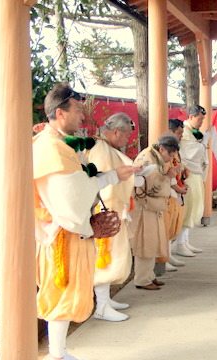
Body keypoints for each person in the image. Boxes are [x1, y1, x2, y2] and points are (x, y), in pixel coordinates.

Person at [34, 83, 138, 360]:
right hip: (62, 233)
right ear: (60, 113)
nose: (83, 117)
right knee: (61, 291)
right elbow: (72, 196)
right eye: (78, 110)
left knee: (69, 290)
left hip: (72, 229)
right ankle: (56, 354)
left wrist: (114, 175)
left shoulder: (59, 145)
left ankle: (59, 351)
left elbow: (81, 185)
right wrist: (111, 178)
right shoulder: (51, 149)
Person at [86, 112, 140, 322]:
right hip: (106, 211)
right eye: (126, 135)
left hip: (113, 209)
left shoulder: (106, 147)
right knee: (105, 259)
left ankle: (105, 300)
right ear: (116, 131)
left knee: (113, 258)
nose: (127, 140)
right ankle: (101, 305)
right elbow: (103, 182)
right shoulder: (101, 149)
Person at [130, 134, 181, 290]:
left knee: (152, 242)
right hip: (144, 207)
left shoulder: (155, 158)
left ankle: (149, 276)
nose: (169, 159)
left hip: (153, 206)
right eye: (169, 155)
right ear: (162, 149)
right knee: (145, 244)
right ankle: (142, 279)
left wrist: (167, 175)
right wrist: (167, 176)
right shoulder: (147, 160)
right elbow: (147, 187)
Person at [173, 105, 212, 257]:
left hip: (195, 174)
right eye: (200, 118)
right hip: (188, 174)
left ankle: (185, 240)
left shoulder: (193, 132)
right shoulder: (185, 132)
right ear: (190, 117)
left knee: (194, 207)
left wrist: (202, 141)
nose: (201, 122)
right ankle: (180, 243)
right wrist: (203, 142)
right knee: (188, 207)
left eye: (203, 119)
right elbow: (190, 152)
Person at [164, 119, 188, 271]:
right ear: (171, 132)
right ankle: (163, 257)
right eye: (179, 133)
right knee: (166, 226)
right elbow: (166, 171)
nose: (181, 136)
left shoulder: (175, 149)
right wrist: (178, 188)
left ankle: (168, 253)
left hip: (176, 191)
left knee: (172, 224)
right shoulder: (163, 149)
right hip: (168, 192)